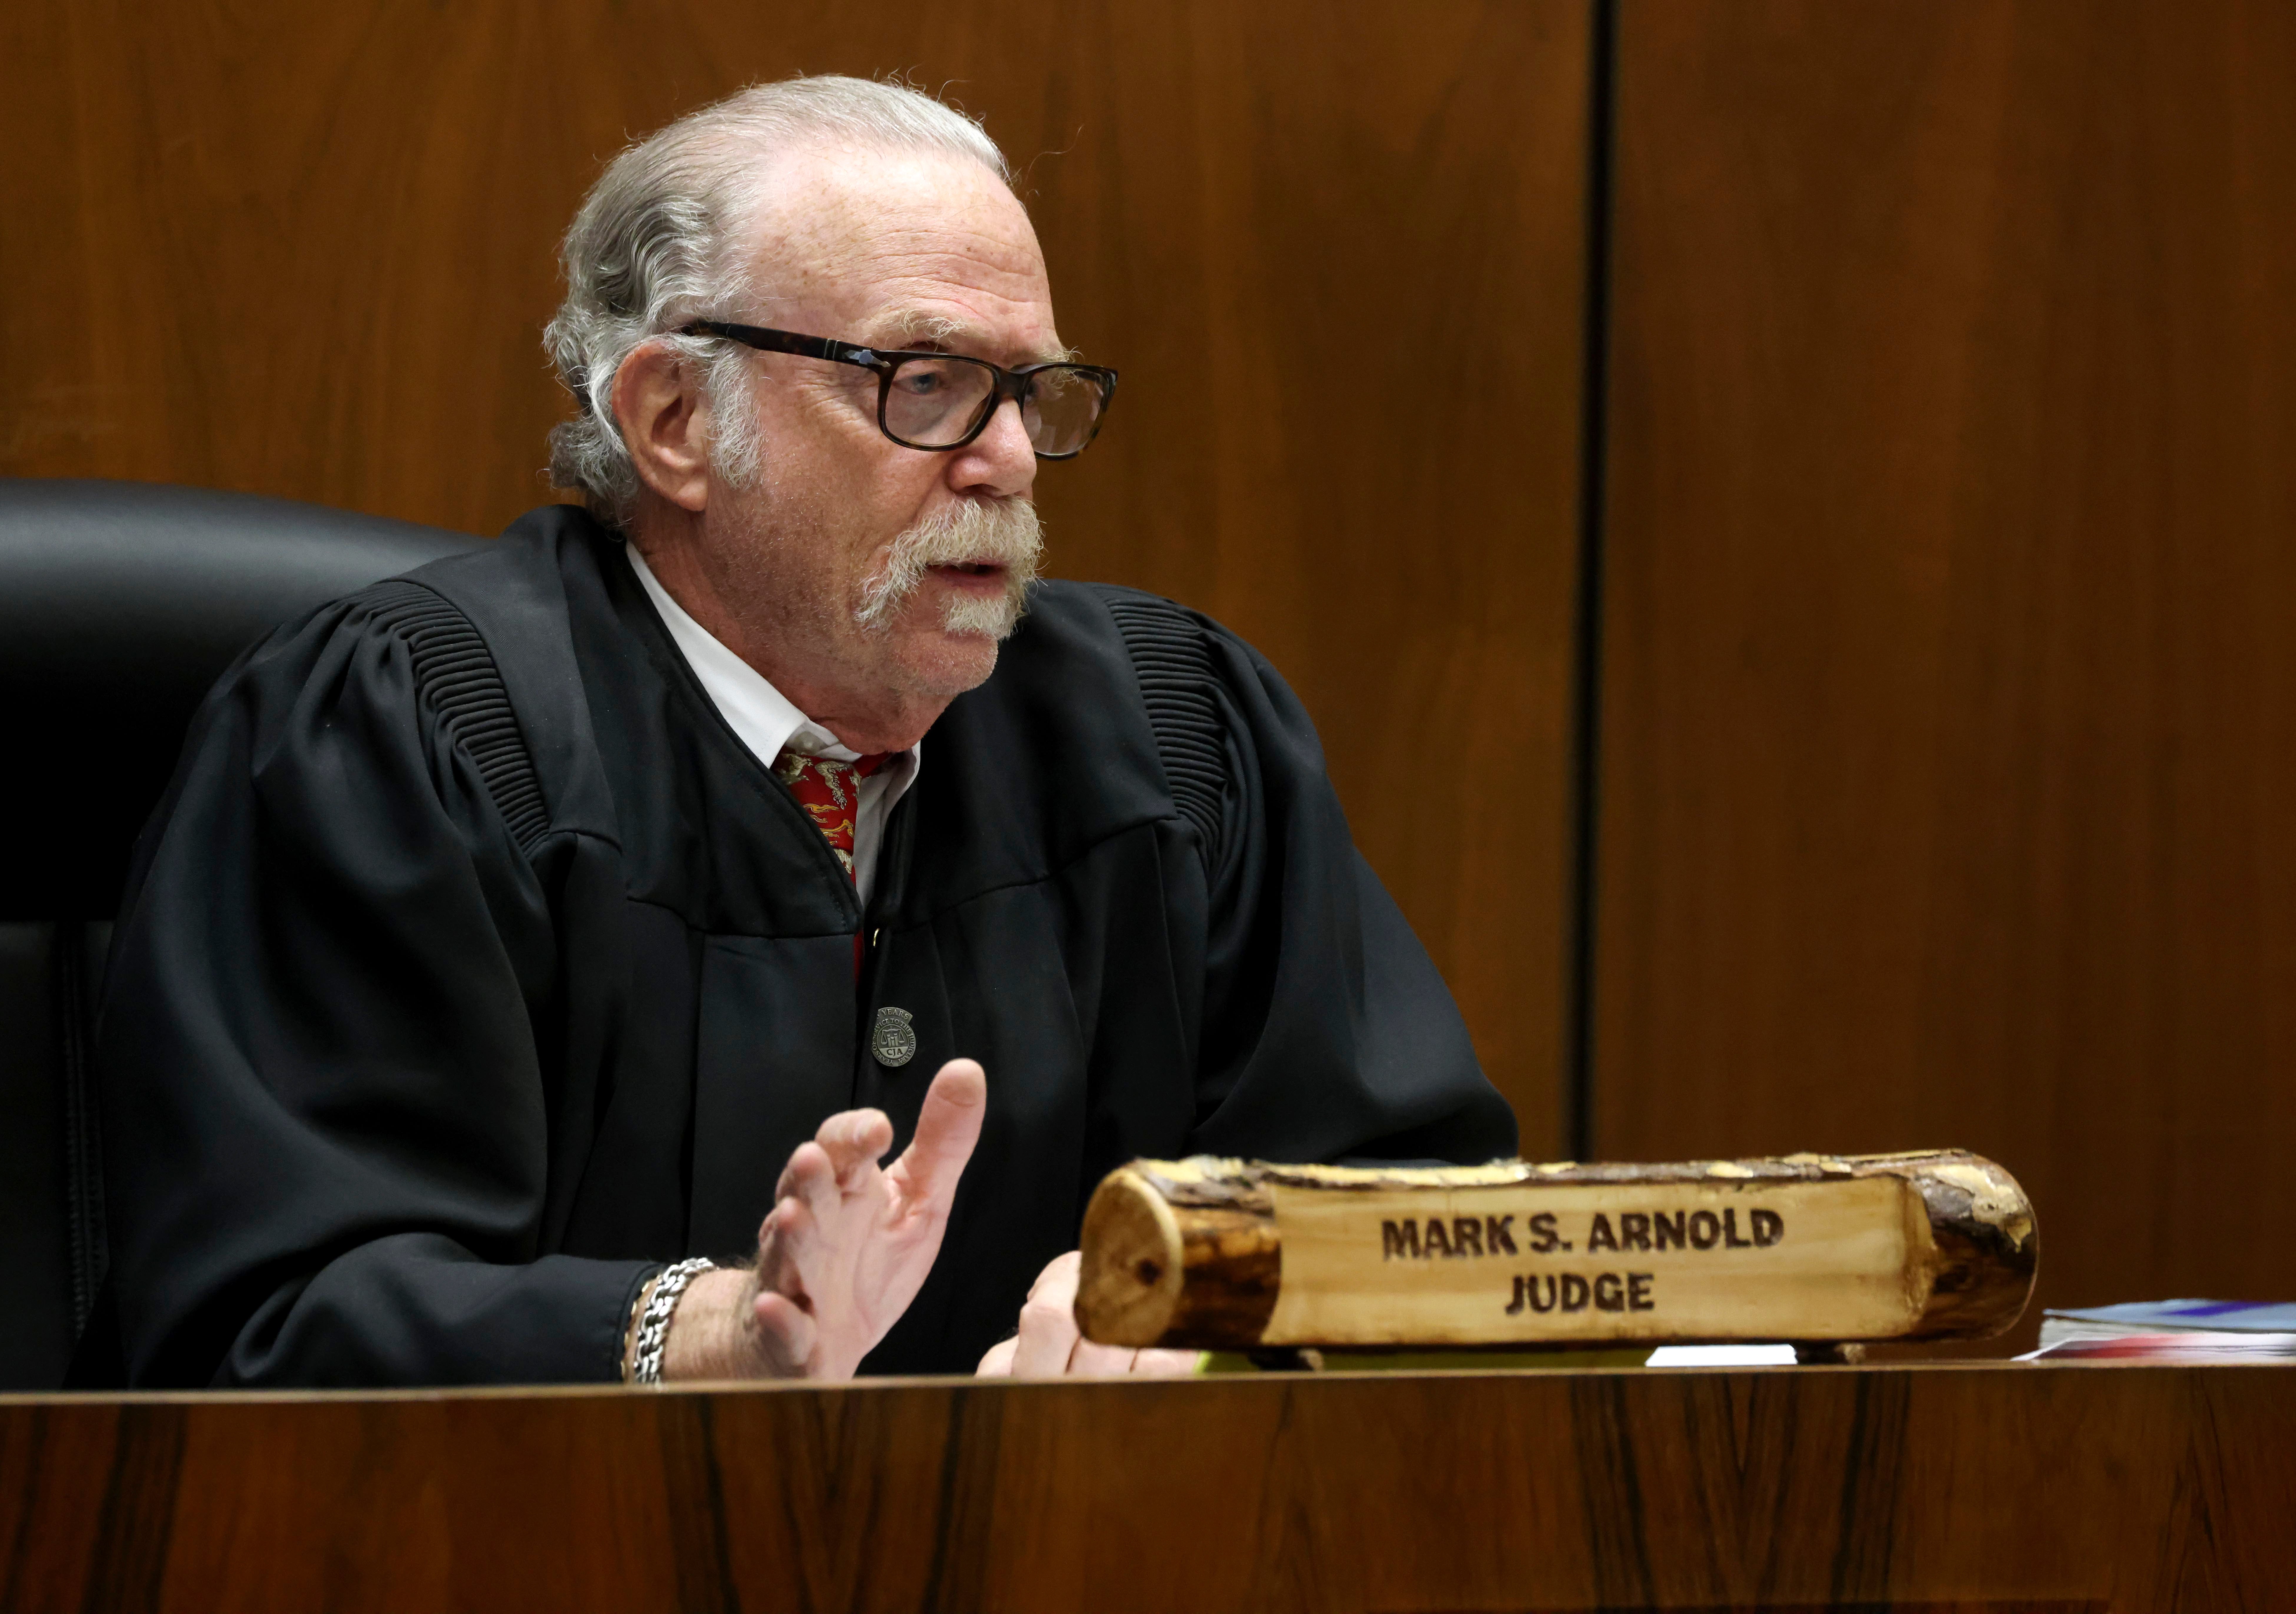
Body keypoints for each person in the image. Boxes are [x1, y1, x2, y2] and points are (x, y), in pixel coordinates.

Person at [90, 75, 1517, 1389]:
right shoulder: (405, 740)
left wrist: (1212, 1308)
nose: (1008, 457)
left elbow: (1419, 1225)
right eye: (924, 382)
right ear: (673, 421)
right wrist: (702, 1332)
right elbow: (259, 1331)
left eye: (1030, 390)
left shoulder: (1174, 737)